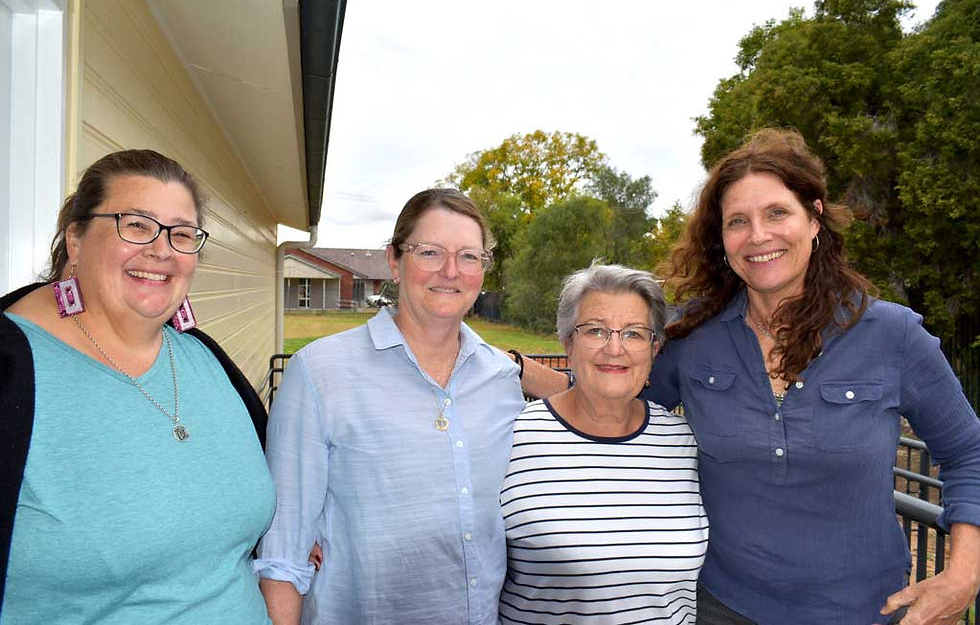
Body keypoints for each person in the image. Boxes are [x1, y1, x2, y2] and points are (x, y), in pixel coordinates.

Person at [515, 129, 980, 625]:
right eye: (738, 221)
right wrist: (509, 366)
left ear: (815, 218)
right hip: (723, 610)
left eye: (777, 213)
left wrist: (964, 575)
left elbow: (967, 451)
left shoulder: (891, 334)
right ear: (721, 239)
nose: (758, 235)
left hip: (865, 612)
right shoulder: (693, 335)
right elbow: (605, 391)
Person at [0, 150, 275, 623]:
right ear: (77, 238)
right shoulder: (12, 370)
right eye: (137, 225)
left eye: (182, 234)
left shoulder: (205, 357)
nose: (162, 250)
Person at [254, 188, 526, 624]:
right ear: (394, 261)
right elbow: (283, 556)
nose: (451, 271)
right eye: (430, 252)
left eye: (469, 256)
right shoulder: (320, 374)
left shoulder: (502, 380)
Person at [500, 264, 707, 625]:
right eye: (595, 330)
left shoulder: (684, 443)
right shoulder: (512, 439)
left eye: (634, 334)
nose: (615, 348)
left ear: (654, 349)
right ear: (567, 342)